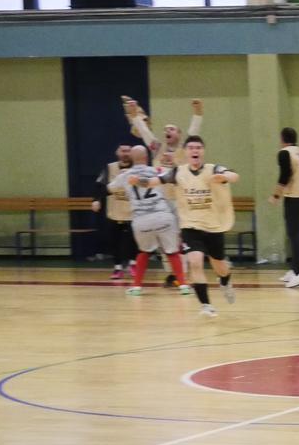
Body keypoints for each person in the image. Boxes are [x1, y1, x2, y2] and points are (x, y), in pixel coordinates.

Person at [161, 136, 237, 317]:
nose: (195, 150)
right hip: (190, 226)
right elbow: (157, 180)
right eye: (191, 147)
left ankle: (225, 281)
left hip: (213, 226)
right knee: (195, 262)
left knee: (219, 265)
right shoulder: (178, 172)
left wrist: (225, 176)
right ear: (186, 152)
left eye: (198, 147)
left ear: (203, 151)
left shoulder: (213, 169)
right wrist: (141, 182)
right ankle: (206, 305)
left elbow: (234, 176)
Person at [107, 145, 188, 296]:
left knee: (144, 252)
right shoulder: (157, 170)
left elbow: (109, 189)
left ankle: (137, 287)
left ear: (132, 158)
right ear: (146, 157)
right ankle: (183, 285)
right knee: (172, 252)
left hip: (141, 220)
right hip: (163, 216)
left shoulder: (125, 175)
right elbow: (176, 176)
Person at [271, 127, 299, 289]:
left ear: (282, 139)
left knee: (295, 234)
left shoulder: (285, 153)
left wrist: (276, 195)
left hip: (296, 197)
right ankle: (294, 269)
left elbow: (285, 175)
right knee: (294, 233)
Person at [93, 145, 136, 280]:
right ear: (117, 152)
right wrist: (96, 200)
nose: (125, 153)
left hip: (133, 212)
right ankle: (117, 268)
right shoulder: (110, 168)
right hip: (115, 211)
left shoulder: (138, 168)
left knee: (133, 241)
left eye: (128, 151)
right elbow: (100, 186)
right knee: (115, 241)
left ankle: (133, 264)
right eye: (123, 151)